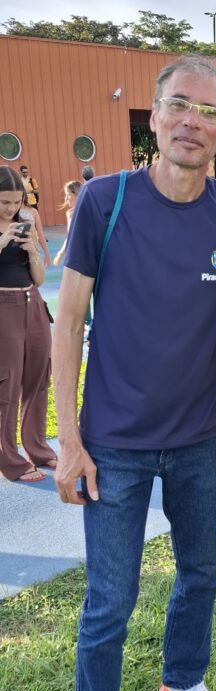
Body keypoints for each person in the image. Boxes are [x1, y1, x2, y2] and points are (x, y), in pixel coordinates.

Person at [52, 55, 216, 691]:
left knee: (200, 575)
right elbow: (69, 321)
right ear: (153, 113)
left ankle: (183, 683)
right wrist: (67, 440)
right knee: (110, 599)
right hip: (113, 444)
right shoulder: (105, 202)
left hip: (202, 438)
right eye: (179, 105)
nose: (191, 122)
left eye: (208, 112)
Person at [0, 167, 56, 482]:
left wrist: (32, 249)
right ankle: (9, 461)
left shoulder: (25, 224)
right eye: (4, 202)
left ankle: (38, 449)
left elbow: (39, 278)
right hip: (3, 307)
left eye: (16, 201)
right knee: (6, 385)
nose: (11, 208)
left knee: (38, 379)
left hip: (33, 303)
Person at [53, 181, 82, 268]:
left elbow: (71, 237)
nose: (66, 199)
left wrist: (60, 254)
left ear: (76, 193)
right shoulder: (70, 213)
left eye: (68, 194)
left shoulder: (72, 213)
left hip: (79, 257)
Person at [19, 191, 51, 266]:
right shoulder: (11, 212)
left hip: (33, 249)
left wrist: (46, 254)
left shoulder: (33, 211)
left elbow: (40, 235)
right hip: (17, 250)